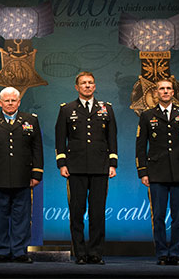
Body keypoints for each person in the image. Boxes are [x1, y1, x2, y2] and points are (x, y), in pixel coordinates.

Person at [55, 71, 117, 265]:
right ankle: (80, 253)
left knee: (97, 213)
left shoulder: (106, 108)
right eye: (83, 83)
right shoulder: (67, 109)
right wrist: (62, 163)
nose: (87, 86)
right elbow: (60, 139)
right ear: (77, 87)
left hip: (100, 167)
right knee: (77, 212)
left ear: (95, 86)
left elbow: (112, 138)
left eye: (90, 83)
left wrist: (112, 163)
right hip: (76, 167)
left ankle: (96, 253)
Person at [135, 78, 179, 266]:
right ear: (156, 93)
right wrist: (142, 171)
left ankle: (175, 253)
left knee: (178, 216)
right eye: (161, 89)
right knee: (159, 216)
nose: (165, 91)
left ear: (173, 92)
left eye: (168, 88)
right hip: (156, 172)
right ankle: (162, 252)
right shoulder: (147, 115)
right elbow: (140, 146)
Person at [0, 87, 43, 263]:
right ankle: (0, 251)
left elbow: (37, 149)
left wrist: (36, 173)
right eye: (6, 100)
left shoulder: (31, 120)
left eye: (13, 100)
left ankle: (20, 251)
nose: (10, 103)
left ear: (19, 102)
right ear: (0, 103)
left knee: (21, 218)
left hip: (23, 177)